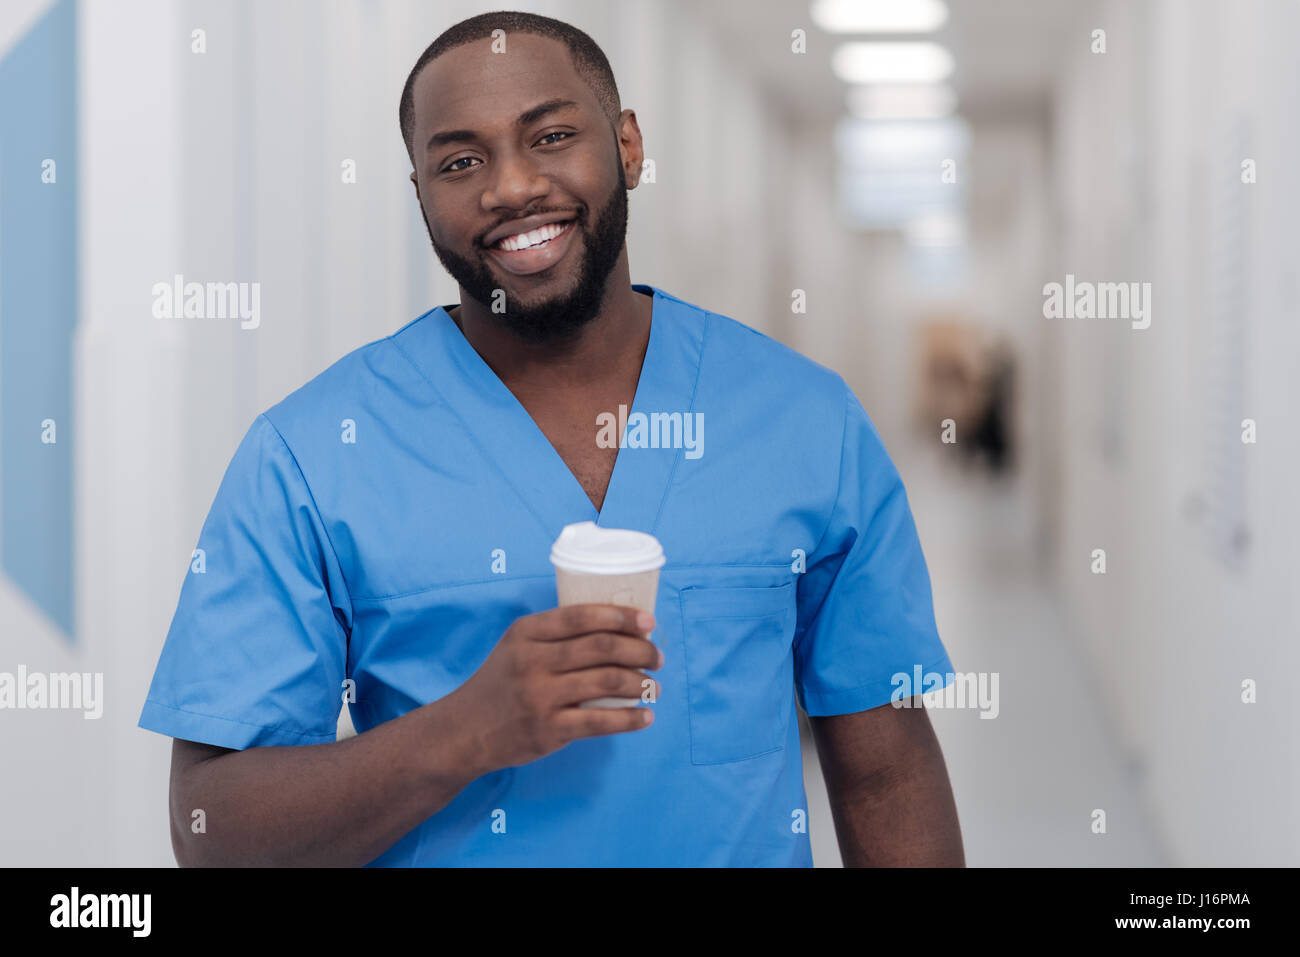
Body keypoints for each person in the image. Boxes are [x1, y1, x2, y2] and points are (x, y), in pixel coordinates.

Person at [139, 10, 963, 867]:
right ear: (420, 195)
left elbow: (887, 776)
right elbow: (212, 829)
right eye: (460, 161)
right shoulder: (310, 457)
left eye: (552, 135)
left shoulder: (803, 422)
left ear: (629, 147)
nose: (511, 187)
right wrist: (467, 730)